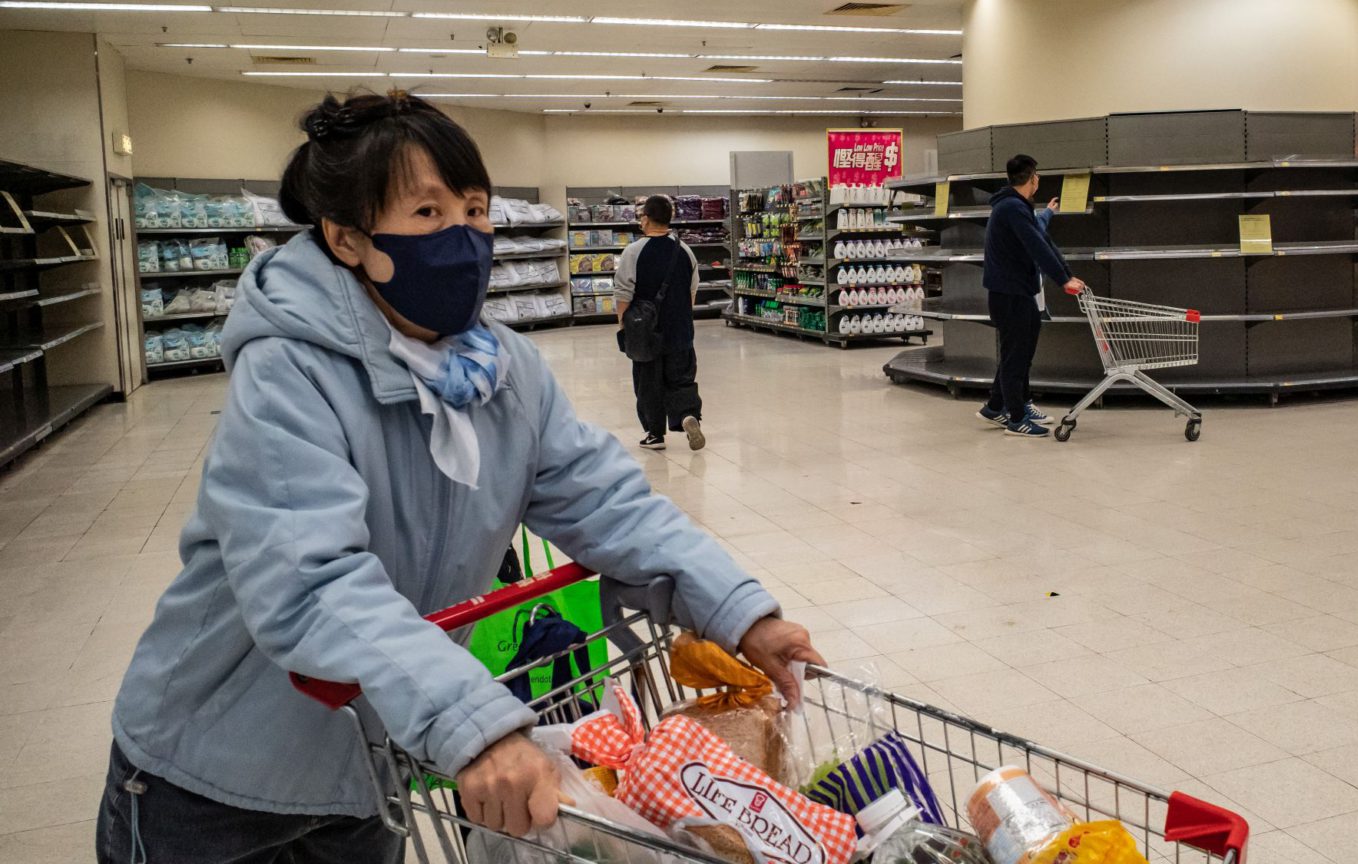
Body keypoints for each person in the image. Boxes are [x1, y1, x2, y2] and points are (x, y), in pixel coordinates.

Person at [97, 92, 822, 864]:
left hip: (376, 762)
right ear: (347, 239)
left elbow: (610, 505)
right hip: (215, 777)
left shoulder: (504, 370)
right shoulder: (288, 373)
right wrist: (473, 724)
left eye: (475, 209)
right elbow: (309, 581)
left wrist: (742, 612)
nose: (466, 236)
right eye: (428, 214)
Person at [976, 154, 1087, 438]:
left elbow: (1041, 237)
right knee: (1017, 355)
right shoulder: (1012, 208)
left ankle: (998, 405)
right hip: (1009, 293)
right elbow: (1037, 246)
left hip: (1018, 290)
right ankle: (1016, 418)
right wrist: (1063, 280)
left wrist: (1066, 272)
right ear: (1032, 178)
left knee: (1020, 351)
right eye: (1037, 175)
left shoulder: (1017, 206)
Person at [615, 195, 705, 451]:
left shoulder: (634, 252)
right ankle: (687, 415)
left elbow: (623, 294)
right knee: (682, 378)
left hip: (646, 331)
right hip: (680, 329)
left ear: (645, 219)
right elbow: (692, 292)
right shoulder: (685, 250)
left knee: (648, 382)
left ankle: (655, 434)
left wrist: (623, 326)